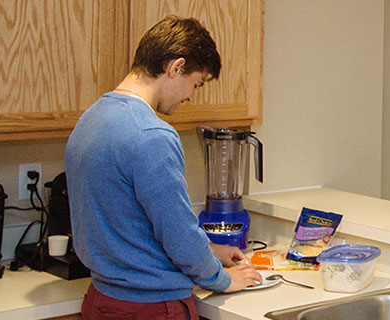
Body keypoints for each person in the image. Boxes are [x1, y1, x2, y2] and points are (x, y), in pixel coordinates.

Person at [66, 15, 262, 319]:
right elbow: (178, 235)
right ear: (176, 67)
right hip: (151, 308)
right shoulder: (151, 134)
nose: (190, 96)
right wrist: (222, 279)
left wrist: (210, 251)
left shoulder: (90, 119)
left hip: (102, 300)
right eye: (194, 83)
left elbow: (130, 224)